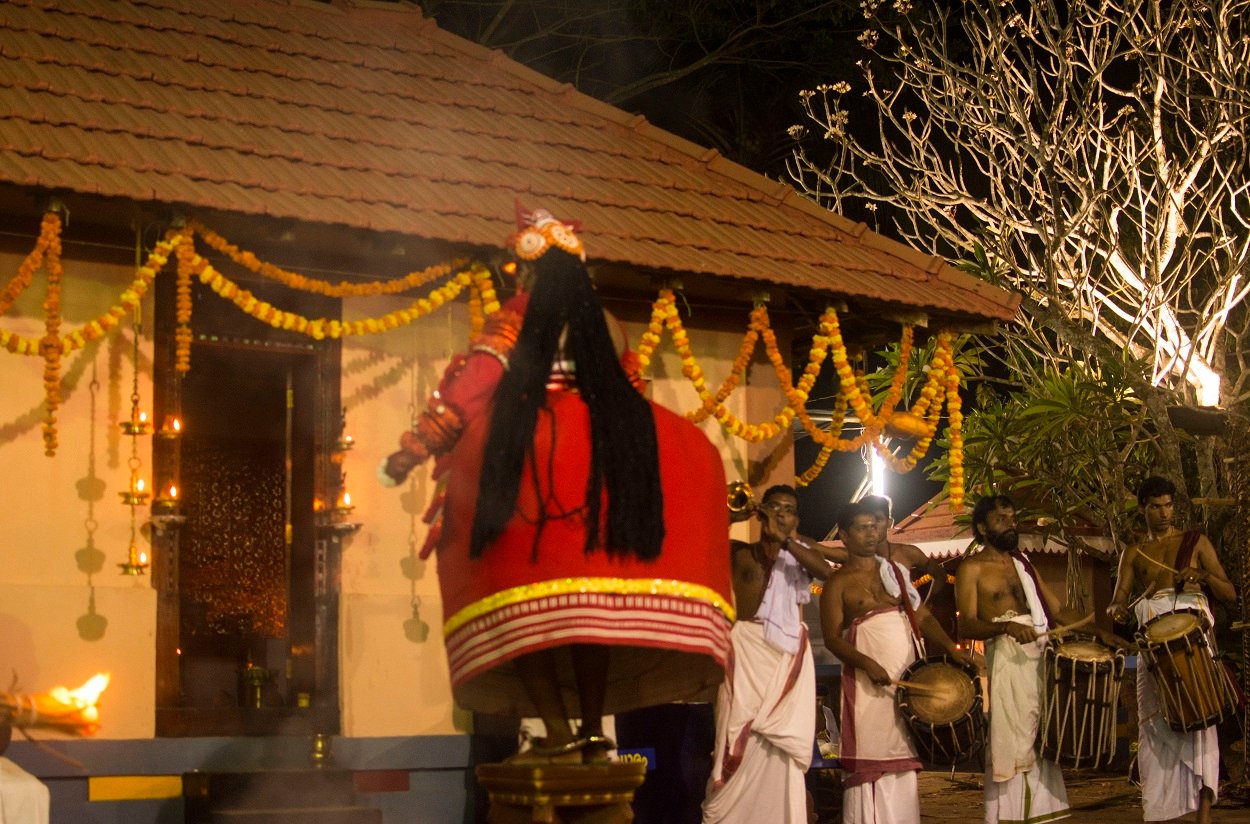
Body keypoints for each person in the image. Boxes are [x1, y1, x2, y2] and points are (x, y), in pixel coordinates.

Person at [381, 207, 735, 764]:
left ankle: (557, 727)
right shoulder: (608, 325)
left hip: (530, 472)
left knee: (518, 605)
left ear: (525, 274)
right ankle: (594, 728)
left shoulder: (516, 317)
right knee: (587, 620)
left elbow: (477, 383)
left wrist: (417, 446)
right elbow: (633, 392)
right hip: (599, 471)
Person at [822, 501, 971, 824]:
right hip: (867, 683)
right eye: (862, 527)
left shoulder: (895, 573)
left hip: (905, 671)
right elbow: (832, 638)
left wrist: (950, 648)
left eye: (875, 525)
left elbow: (922, 615)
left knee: (903, 755)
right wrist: (867, 664)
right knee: (873, 759)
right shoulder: (837, 583)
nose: (872, 533)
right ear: (844, 536)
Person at [1106, 476, 1236, 824]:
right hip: (1153, 644)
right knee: (1153, 725)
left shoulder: (1195, 543)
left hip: (1191, 638)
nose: (1164, 513)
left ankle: (1203, 815)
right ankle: (1162, 813)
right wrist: (1116, 611)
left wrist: (1203, 577)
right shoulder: (1134, 553)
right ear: (1142, 509)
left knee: (1201, 723)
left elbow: (1230, 594)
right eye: (1156, 507)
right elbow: (1117, 603)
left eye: (1169, 505)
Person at [702, 485, 832, 823]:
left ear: (796, 519)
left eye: (788, 509)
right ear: (762, 511)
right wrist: (733, 516)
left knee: (781, 752)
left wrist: (786, 539)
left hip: (787, 657)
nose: (781, 514)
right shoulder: (741, 553)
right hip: (746, 653)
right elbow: (703, 545)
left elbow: (826, 572)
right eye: (774, 507)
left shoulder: (803, 553)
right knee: (735, 733)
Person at [954, 494, 1074, 824]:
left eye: (1012, 517)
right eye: (1001, 519)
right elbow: (966, 623)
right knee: (1015, 743)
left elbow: (1057, 610)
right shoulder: (972, 568)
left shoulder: (1023, 564)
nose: (1010, 524)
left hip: (1040, 658)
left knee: (1042, 739)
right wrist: (1005, 626)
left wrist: (1100, 630)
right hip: (1008, 660)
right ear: (982, 527)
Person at [859, 494, 951, 600]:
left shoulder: (907, 553)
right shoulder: (850, 557)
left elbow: (940, 575)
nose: (872, 527)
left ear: (889, 522)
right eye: (866, 521)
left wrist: (927, 605)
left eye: (878, 520)